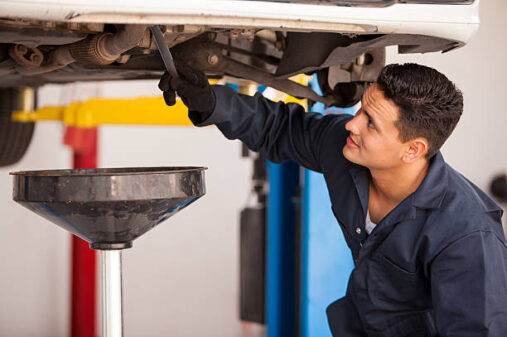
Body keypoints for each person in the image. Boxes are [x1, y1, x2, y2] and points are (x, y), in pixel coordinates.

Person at [158, 63, 507, 336]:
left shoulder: (467, 236)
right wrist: (213, 102)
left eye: (371, 124)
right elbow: (279, 128)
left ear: (413, 150)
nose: (352, 125)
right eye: (360, 110)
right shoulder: (347, 151)